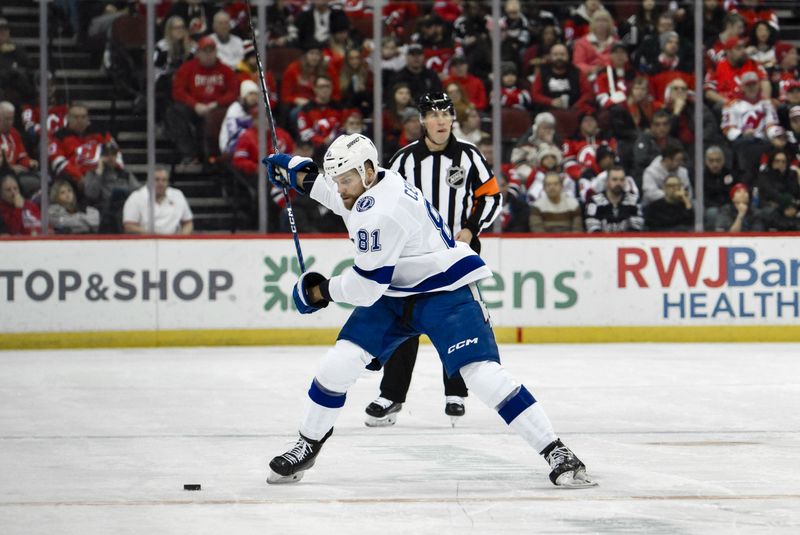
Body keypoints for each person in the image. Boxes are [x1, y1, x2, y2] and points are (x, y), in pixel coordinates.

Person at [262, 133, 596, 488]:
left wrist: (320, 291)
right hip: (396, 292)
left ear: (368, 171)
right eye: (338, 180)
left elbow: (366, 286)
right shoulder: (371, 181)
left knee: (482, 374)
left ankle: (556, 450)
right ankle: (307, 442)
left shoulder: (383, 211)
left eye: (346, 180)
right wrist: (300, 172)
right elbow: (337, 194)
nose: (341, 187)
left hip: (444, 291)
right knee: (337, 364)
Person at [364, 93, 502, 427]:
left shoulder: (469, 156)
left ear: (453, 119)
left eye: (446, 113)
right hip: (413, 257)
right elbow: (382, 201)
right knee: (404, 322)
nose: (440, 120)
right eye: (433, 114)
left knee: (456, 321)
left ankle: (455, 392)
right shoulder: (403, 160)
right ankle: (392, 395)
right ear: (422, 120)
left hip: (456, 255)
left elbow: (490, 196)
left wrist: (470, 229)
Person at [83, 142, 141, 233]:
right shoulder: (93, 174)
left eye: (113, 154)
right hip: (104, 211)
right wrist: (99, 174)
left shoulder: (124, 173)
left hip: (124, 209)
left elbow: (138, 192)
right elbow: (91, 194)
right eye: (106, 154)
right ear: (101, 156)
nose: (110, 157)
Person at [123, 166, 194, 234]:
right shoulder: (136, 197)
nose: (161, 183)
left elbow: (188, 223)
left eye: (164, 180)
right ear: (148, 181)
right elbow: (129, 227)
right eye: (157, 180)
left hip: (173, 241)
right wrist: (155, 237)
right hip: (145, 241)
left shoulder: (178, 195)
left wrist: (181, 239)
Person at [584, 165, 644, 232]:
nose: (618, 183)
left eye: (622, 179)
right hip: (601, 241)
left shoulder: (634, 201)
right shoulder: (595, 201)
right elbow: (592, 229)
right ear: (607, 181)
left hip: (627, 242)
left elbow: (636, 230)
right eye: (614, 179)